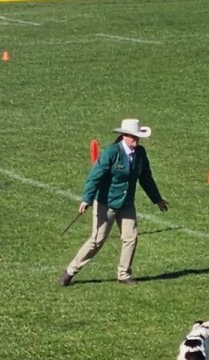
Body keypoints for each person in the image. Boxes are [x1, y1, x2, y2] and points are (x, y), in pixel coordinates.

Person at [59, 118, 169, 287]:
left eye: (137, 137)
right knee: (96, 241)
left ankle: (123, 274)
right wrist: (86, 199)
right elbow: (95, 176)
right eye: (133, 136)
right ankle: (70, 271)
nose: (136, 140)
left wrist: (157, 200)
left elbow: (146, 178)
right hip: (106, 203)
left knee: (130, 237)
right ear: (124, 136)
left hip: (126, 204)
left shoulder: (140, 154)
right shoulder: (111, 153)